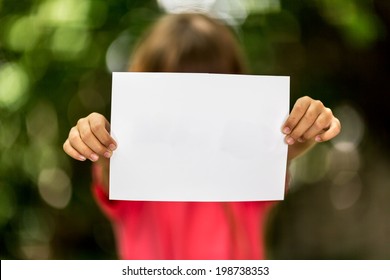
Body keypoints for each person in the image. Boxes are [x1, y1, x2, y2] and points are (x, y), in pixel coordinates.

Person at [63, 12, 341, 259]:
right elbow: (112, 173)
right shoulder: (135, 171)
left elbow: (275, 157)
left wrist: (300, 134)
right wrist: (99, 142)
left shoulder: (245, 170)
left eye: (209, 88)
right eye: (178, 88)